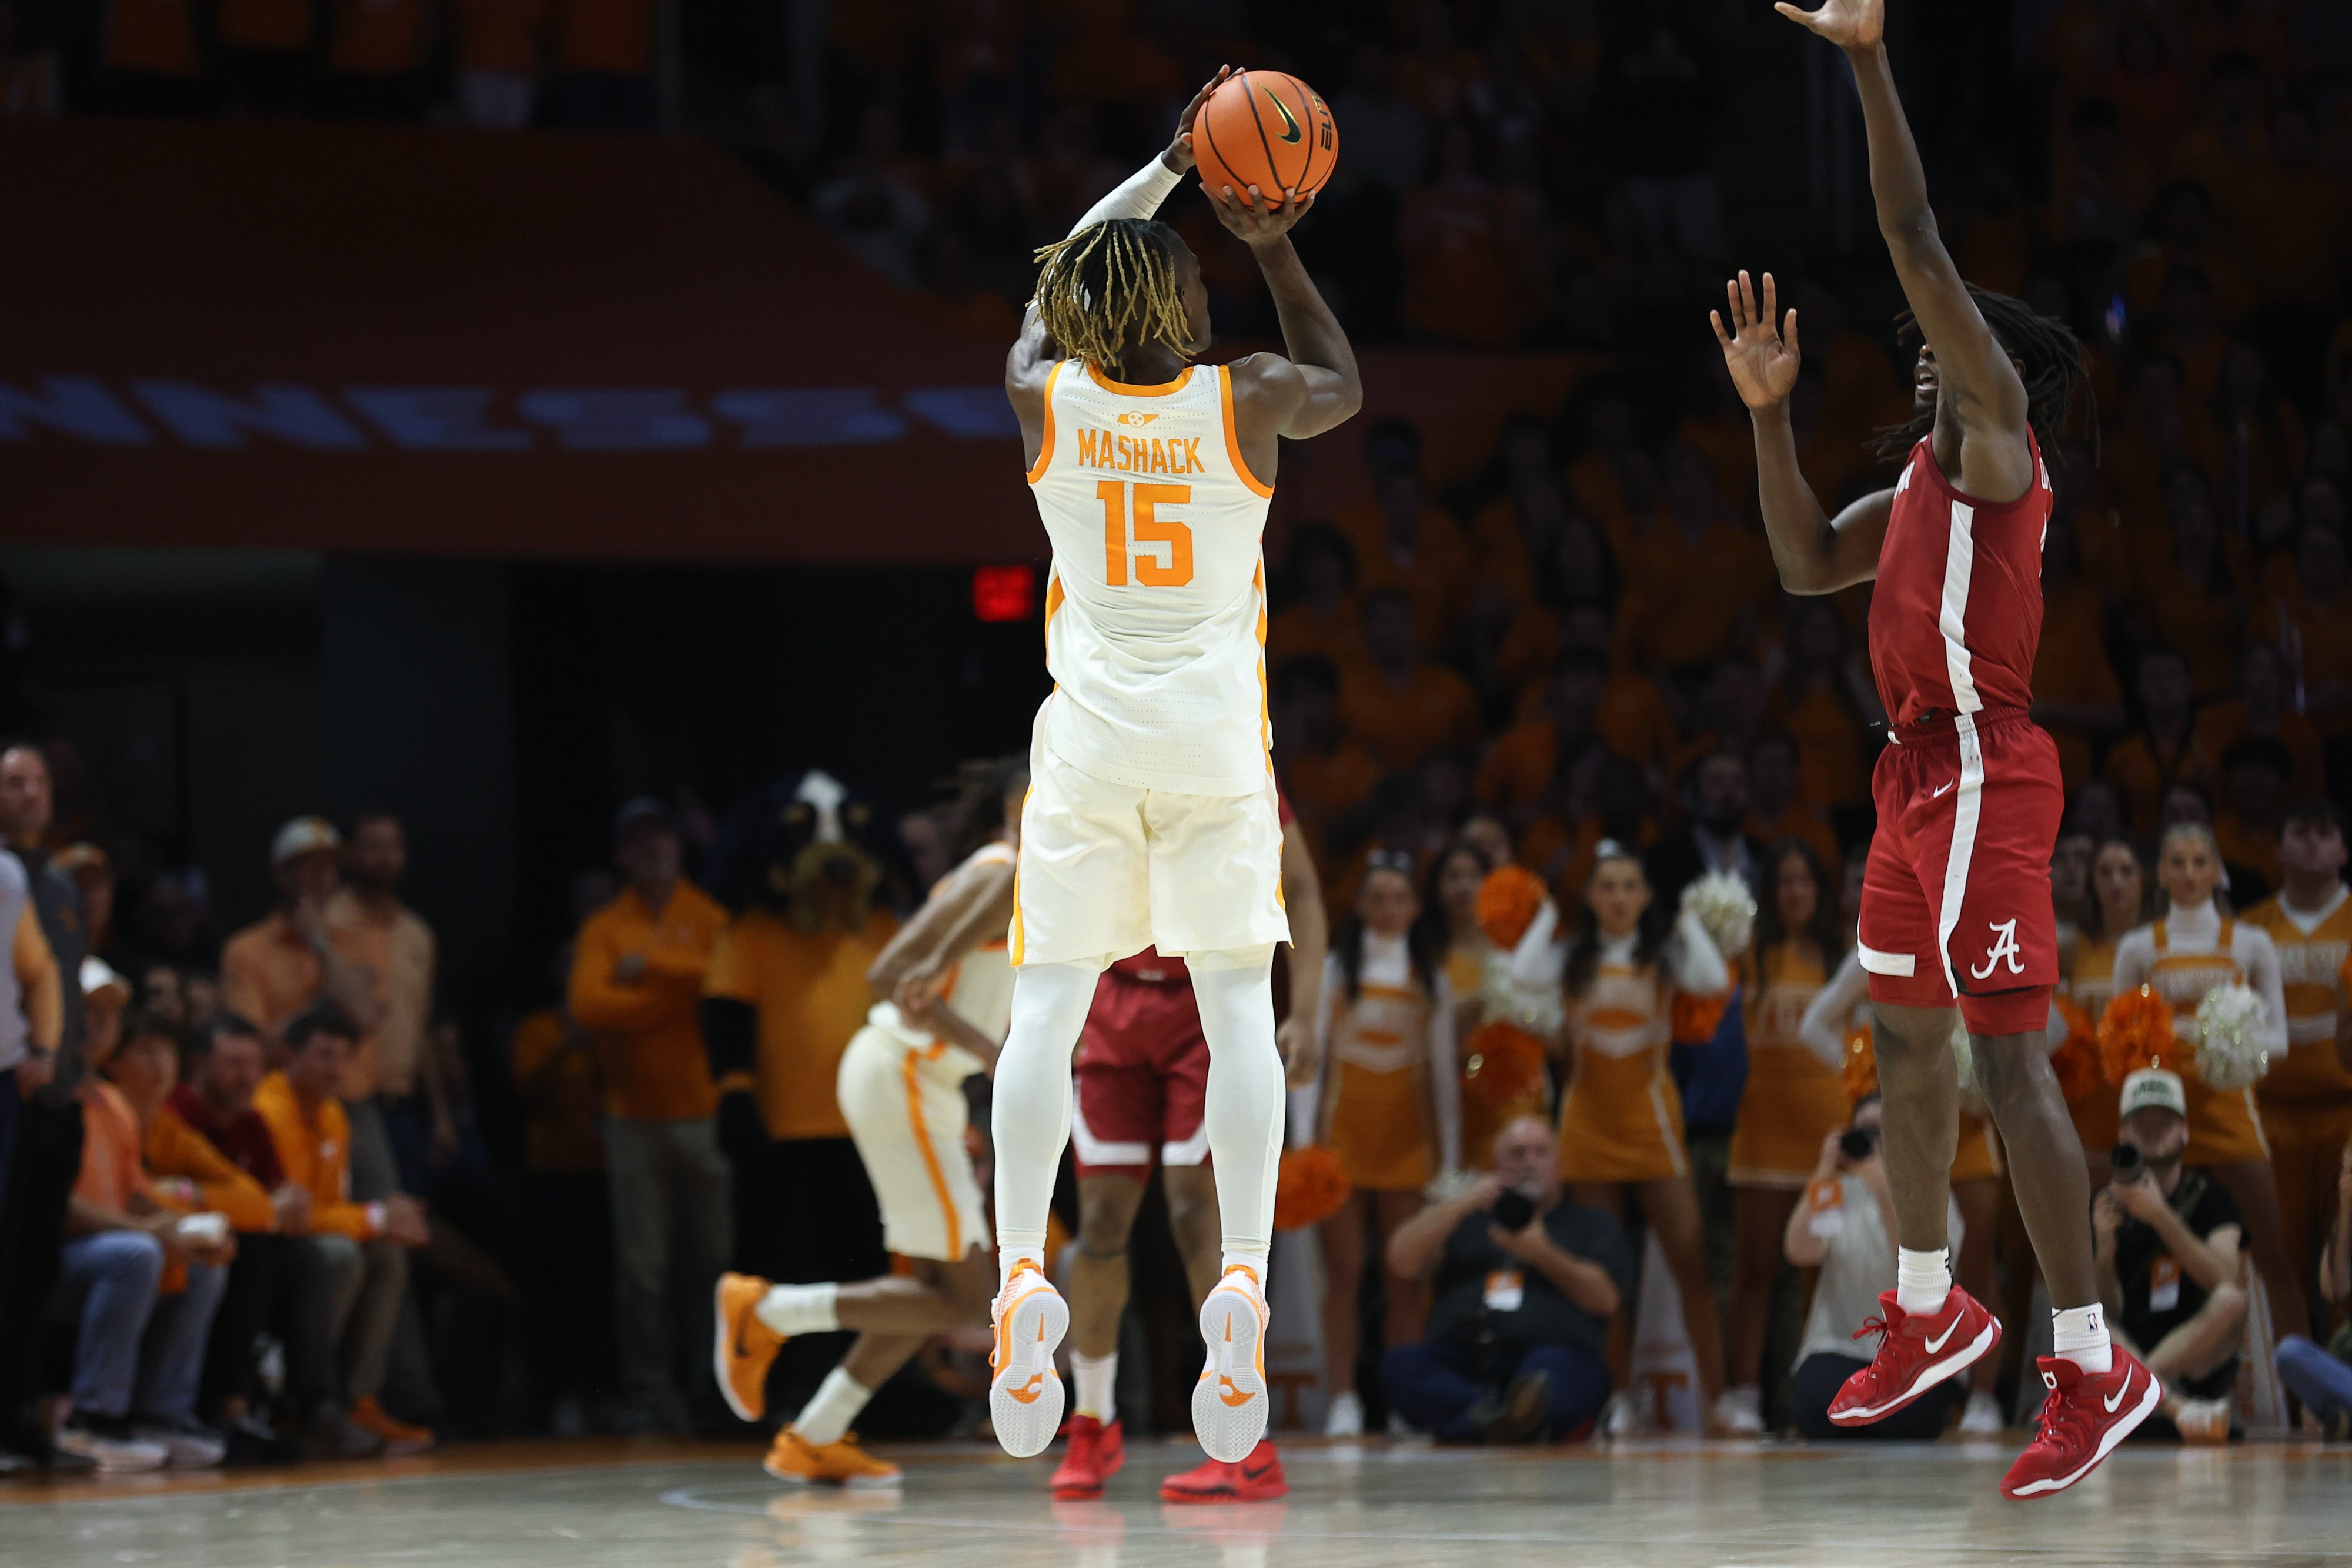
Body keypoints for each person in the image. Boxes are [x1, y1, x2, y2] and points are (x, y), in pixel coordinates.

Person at [1719, 0, 2153, 1493]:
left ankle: (2096, 1362)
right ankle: (1924, 1305)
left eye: (1940, 339)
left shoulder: (1994, 443)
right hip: (1907, 778)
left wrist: (1861, 62)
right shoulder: (1908, 482)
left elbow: (1907, 230)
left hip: (1983, 762)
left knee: (2006, 1065)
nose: (1917, 349)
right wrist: (1769, 419)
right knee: (1901, 1048)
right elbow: (1794, 563)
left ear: (1985, 367)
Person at [986, 63, 1362, 1470]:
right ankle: (1246, 1281)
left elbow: (1050, 284)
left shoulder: (1044, 401)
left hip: (1087, 752)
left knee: (1043, 1015)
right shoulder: (1246, 399)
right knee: (1239, 1019)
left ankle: (1021, 1273)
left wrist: (1162, 165)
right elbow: (1345, 380)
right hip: (1214, 750)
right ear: (1191, 314)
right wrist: (1272, 242)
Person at [714, 760, 1025, 1487]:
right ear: (1021, 801)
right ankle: (768, 1310)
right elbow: (892, 975)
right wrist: (990, 1051)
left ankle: (816, 1433)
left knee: (937, 1288)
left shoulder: (1017, 875)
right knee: (966, 1295)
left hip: (921, 1079)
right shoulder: (1004, 874)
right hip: (905, 1072)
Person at [1050, 798, 1327, 1503]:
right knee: (1101, 1225)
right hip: (1110, 999)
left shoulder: (1232, 746)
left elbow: (1299, 884)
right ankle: (1092, 1419)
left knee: (1197, 1219)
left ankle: (1244, 1437)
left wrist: (1305, 1011)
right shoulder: (1102, 742)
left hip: (1204, 998)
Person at [1552, 844, 1735, 1433]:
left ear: (1646, 896)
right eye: (1606, 886)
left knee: (1690, 1261)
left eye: (1631, 886)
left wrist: (1682, 917)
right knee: (1605, 1274)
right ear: (1590, 897)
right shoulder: (1570, 958)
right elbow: (1524, 977)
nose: (1619, 897)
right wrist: (1536, 918)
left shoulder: (1664, 955)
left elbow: (1710, 981)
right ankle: (1618, 1400)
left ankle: (1717, 1400)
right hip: (1587, 1129)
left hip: (1653, 1125)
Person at [567, 798, 731, 1433]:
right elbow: (588, 1005)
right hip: (631, 1118)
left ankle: (715, 1386)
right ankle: (649, 1391)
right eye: (637, 842)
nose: (651, 850)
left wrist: (653, 972)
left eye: (660, 838)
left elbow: (718, 981)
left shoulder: (709, 916)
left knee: (712, 1266)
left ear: (679, 847)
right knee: (642, 1272)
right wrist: (671, 1002)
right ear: (621, 855)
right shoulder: (605, 927)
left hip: (703, 1114)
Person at [2110, 824, 2300, 1342]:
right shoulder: (2137, 947)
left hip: (2231, 1111)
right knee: (2140, 1250)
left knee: (2272, 1253)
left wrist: (2229, 1044)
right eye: (2178, 862)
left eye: (2200, 861)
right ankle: (2142, 1385)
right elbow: (2116, 1039)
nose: (2190, 873)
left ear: (2218, 870)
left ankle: (2305, 1402)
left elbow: (2279, 1038)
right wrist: (2184, 1036)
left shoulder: (2252, 942)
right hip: (2158, 1115)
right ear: (2162, 874)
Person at [1297, 850, 1457, 1440]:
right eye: (1377, 897)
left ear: (1416, 907)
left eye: (1399, 897)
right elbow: (1310, 1063)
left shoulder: (1431, 976)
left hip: (1407, 1145)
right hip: (1340, 1141)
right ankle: (1341, 1399)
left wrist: (1452, 1159)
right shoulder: (1336, 970)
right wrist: (1301, 1142)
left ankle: (1403, 1398)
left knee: (1403, 1276)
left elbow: (1443, 1078)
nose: (1388, 908)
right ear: (1360, 905)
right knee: (1344, 1272)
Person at [172, 1014, 378, 1457]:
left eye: (253, 1065)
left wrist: (268, 1208)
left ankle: (311, 1403)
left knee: (302, 1257)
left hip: (242, 1240)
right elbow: (247, 1199)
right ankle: (233, 1406)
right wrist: (261, 1208)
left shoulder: (251, 1123)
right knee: (256, 1249)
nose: (247, 1076)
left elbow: (290, 1205)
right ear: (199, 1064)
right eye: (233, 1064)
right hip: (191, 1240)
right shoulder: (180, 1112)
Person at [59, 1001, 238, 1470]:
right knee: (136, 1253)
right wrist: (148, 1231)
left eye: (109, 1016)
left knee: (199, 1262)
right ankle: (93, 1416)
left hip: (104, 1242)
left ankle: (160, 1412)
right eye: (89, 1011)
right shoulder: (49, 1098)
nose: (98, 1023)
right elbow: (56, 1206)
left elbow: (136, 1191)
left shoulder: (111, 1102)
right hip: (53, 1251)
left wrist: (186, 1230)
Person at [1380, 1114, 1631, 1443]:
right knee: (1401, 1365)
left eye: (1540, 1152)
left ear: (1559, 1166)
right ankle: (1504, 1420)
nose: (1529, 1162)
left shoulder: (1589, 1224)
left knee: (1556, 1378)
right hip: (1463, 1360)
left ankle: (1477, 1421)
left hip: (1550, 1355)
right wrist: (1462, 1202)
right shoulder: (1468, 1219)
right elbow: (1401, 1261)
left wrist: (1542, 1253)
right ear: (1497, 1166)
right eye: (1517, 1154)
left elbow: (1606, 1300)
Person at [253, 1002, 435, 1454]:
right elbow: (296, 1214)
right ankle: (301, 1393)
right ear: (289, 1057)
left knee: (389, 1255)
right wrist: (374, 1218)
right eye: (322, 1055)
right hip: (272, 1246)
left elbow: (329, 1205)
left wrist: (383, 1220)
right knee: (341, 1253)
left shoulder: (333, 1113)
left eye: (342, 1057)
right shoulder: (271, 1110)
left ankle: (358, 1399)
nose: (335, 1068)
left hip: (310, 1235)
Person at [1721, 840, 1850, 1435]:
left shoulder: (1842, 954)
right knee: (1755, 1270)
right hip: (1763, 1135)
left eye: (1805, 881)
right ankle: (1742, 1393)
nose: (1795, 893)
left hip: (1828, 1137)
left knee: (1818, 1271)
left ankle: (1809, 1399)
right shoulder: (1750, 954)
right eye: (1784, 882)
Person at [0, 741, 91, 1469]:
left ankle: (25, 1416)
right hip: (14, 1087)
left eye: (38, 783)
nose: (29, 794)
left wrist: (67, 1059)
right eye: (13, 783)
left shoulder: (58, 884)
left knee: (36, 1263)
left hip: (57, 1095)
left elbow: (59, 980)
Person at [1784, 1095, 1969, 1440]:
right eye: (1863, 1132)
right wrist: (1824, 1170)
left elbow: (1917, 1262)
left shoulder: (1932, 1192)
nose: (1871, 1142)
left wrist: (1883, 1186)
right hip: (1840, 1345)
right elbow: (1799, 1251)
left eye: (1880, 1132)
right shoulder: (1836, 1191)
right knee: (1816, 1407)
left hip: (1916, 1352)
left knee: (1911, 1419)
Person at [2239, 799, 2352, 1339]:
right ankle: (2289, 1394)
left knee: (2344, 1256)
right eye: (2299, 830)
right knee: (2280, 1258)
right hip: (2272, 1114)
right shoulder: (2249, 927)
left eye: (2324, 830)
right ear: (2278, 848)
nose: (2311, 841)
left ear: (2343, 849)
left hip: (2346, 1113)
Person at [2094, 1069, 2246, 1444]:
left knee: (2232, 1300)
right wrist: (2104, 1247)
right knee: (2082, 1317)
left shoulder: (2213, 1198)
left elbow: (2223, 1278)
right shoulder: (2105, 1203)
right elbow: (2106, 1309)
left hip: (2194, 1358)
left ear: (2185, 1131)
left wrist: (2160, 1216)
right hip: (2129, 1340)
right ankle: (2175, 1406)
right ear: (2123, 1133)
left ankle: (2137, 1392)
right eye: (2141, 1122)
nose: (2153, 1130)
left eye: (2165, 1121)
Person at [326, 810, 447, 1194]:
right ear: (351, 854)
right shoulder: (329, 922)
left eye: (392, 846)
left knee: (410, 1214)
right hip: (347, 1098)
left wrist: (441, 1112)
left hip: (403, 1102)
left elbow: (421, 1026)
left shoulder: (417, 934)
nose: (383, 857)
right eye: (372, 847)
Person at [2273, 1149, 2352, 1436]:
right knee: (2290, 1353)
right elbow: (2334, 1291)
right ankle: (2343, 1415)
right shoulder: (2344, 1224)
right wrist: (2344, 1211)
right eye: (2345, 1172)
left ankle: (2343, 1417)